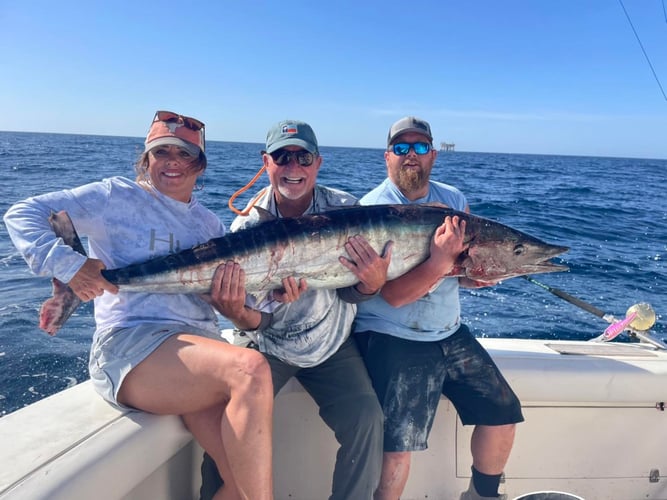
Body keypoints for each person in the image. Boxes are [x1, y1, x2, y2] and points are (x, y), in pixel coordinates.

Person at [3, 111, 275, 500]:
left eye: (184, 155)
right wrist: (72, 266)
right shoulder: (116, 196)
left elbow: (243, 302)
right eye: (161, 153)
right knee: (250, 369)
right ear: (145, 160)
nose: (172, 163)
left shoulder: (210, 225)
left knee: (242, 483)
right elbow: (23, 213)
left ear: (200, 165)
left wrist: (268, 296)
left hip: (199, 353)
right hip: (132, 346)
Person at [199, 119, 391, 500]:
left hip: (332, 343)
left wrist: (372, 284)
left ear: (318, 163)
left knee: (367, 420)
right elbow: (255, 320)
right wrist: (238, 310)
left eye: (303, 157)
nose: (293, 167)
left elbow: (352, 293)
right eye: (281, 157)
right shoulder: (246, 226)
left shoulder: (347, 211)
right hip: (267, 345)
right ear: (265, 162)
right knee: (227, 425)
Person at [354, 116, 524, 500]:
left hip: (449, 331)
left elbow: (452, 272)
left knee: (503, 413)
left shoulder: (454, 201)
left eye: (418, 147)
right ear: (387, 158)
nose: (409, 155)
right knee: (399, 449)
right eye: (401, 148)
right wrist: (440, 262)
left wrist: (471, 277)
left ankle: (482, 496)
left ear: (432, 155)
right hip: (391, 333)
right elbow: (393, 296)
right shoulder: (369, 210)